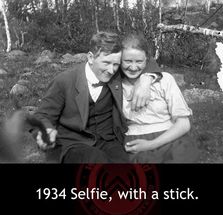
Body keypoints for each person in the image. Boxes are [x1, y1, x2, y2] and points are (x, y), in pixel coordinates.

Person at [34, 31, 155, 163]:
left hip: (108, 141)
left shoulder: (117, 74)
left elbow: (147, 63)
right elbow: (43, 115)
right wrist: (46, 130)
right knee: (96, 162)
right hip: (73, 143)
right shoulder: (65, 80)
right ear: (91, 57)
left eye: (116, 64)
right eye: (106, 63)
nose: (111, 70)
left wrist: (146, 80)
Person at [120, 33, 199, 163]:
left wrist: (151, 144)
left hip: (171, 139)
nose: (133, 67)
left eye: (139, 61)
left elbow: (184, 124)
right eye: (128, 61)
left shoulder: (165, 80)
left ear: (147, 60)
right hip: (134, 143)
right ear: (120, 60)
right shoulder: (115, 84)